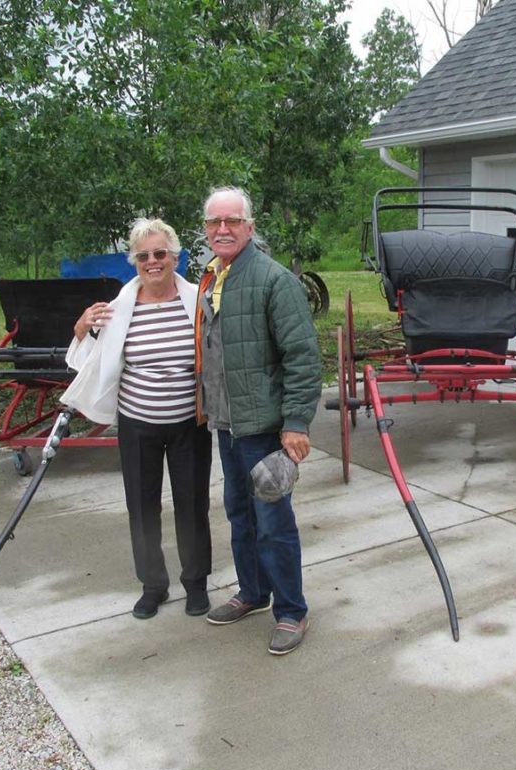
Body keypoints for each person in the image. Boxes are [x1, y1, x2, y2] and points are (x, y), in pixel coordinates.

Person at [61, 218, 212, 620]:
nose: (152, 262)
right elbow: (86, 359)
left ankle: (196, 583)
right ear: (134, 262)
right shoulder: (118, 308)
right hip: (137, 423)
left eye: (160, 253)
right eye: (143, 256)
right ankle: (153, 585)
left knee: (192, 505)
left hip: (189, 423)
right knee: (142, 508)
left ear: (175, 257)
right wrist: (80, 327)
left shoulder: (198, 300)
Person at [195, 186, 322, 655]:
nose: (222, 229)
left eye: (232, 221)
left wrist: (296, 422)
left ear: (249, 226)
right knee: (239, 514)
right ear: (205, 229)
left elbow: (302, 356)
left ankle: (291, 611)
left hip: (265, 428)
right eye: (214, 222)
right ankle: (252, 592)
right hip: (227, 424)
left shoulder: (274, 280)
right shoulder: (212, 277)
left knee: (273, 523)